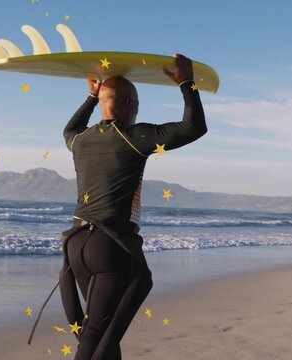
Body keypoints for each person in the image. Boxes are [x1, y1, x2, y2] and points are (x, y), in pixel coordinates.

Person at [37, 53, 206, 360]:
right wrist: (186, 83)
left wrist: (91, 98)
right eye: (137, 104)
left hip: (75, 247)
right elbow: (194, 127)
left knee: (102, 335)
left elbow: (68, 129)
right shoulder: (135, 136)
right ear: (130, 103)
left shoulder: (79, 141)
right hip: (109, 248)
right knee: (93, 341)